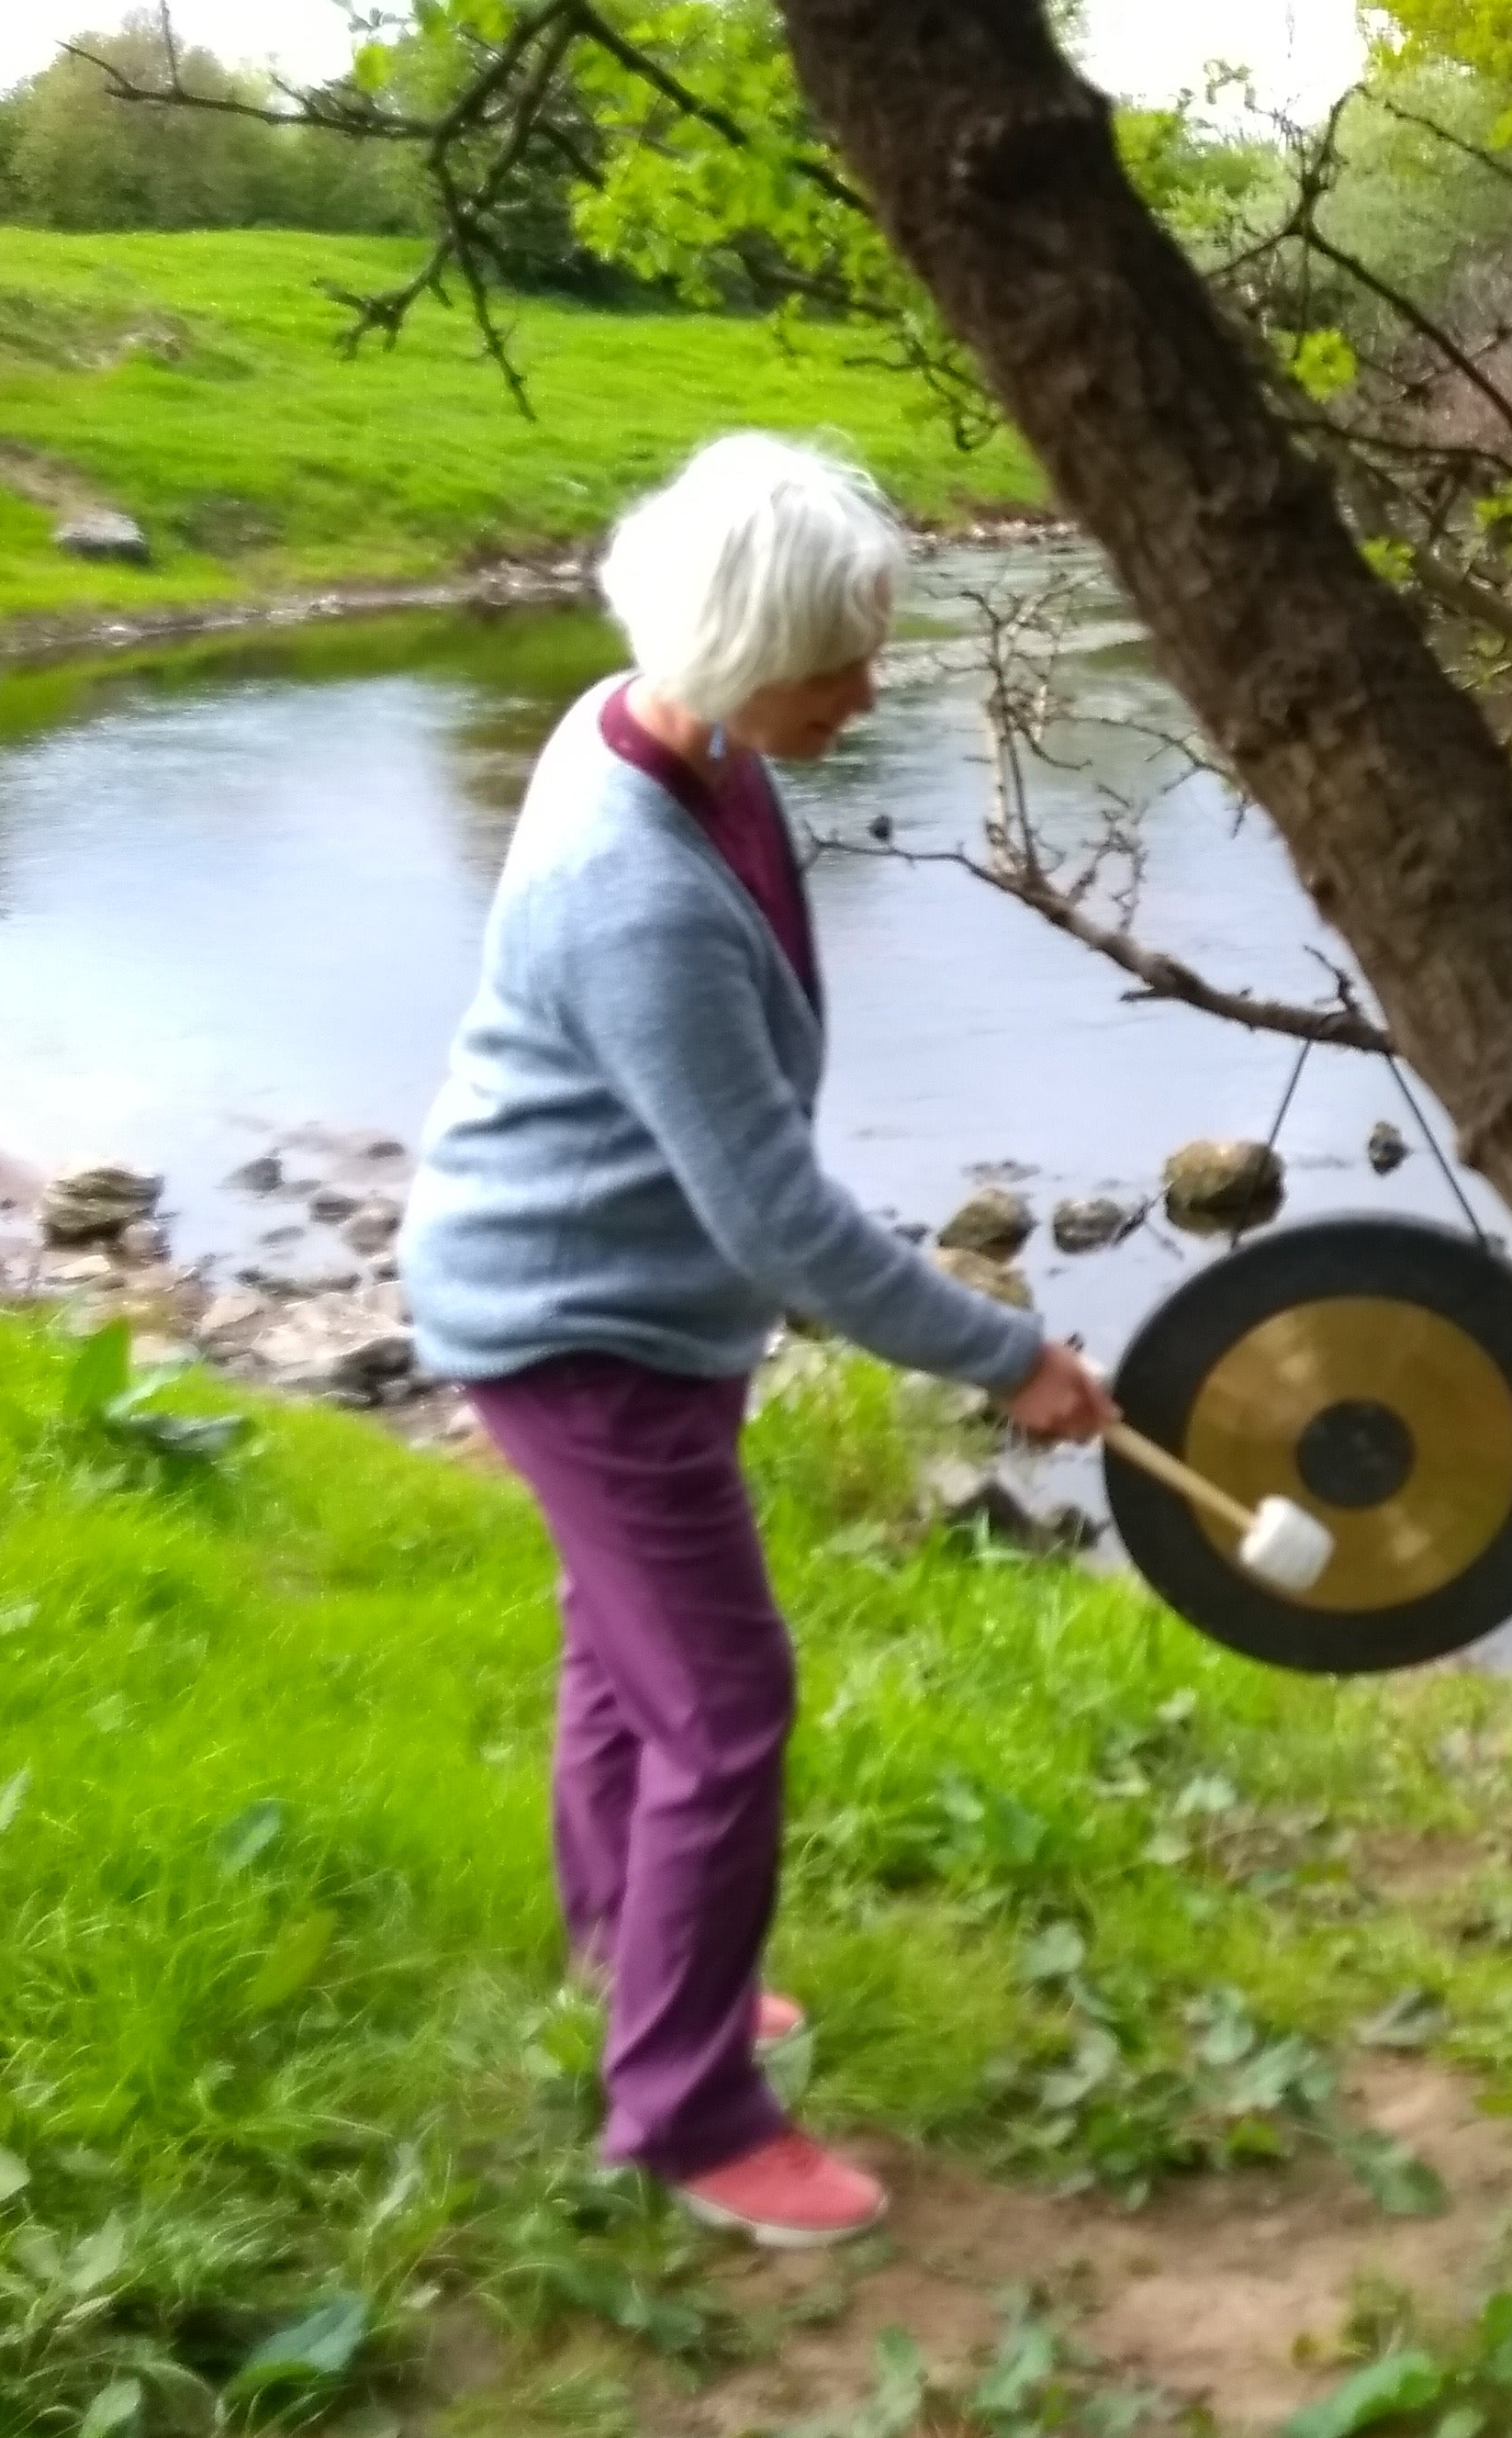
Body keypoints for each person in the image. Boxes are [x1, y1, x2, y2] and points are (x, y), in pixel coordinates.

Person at [403, 430, 1114, 2249]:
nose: (865, 694)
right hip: (582, 1325)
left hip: (614, 1294)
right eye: (837, 664)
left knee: (620, 1651)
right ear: (728, 655)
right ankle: (686, 2108)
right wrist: (1001, 1351)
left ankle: (618, 1946)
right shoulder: (629, 894)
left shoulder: (665, 726)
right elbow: (779, 1216)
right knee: (727, 1710)